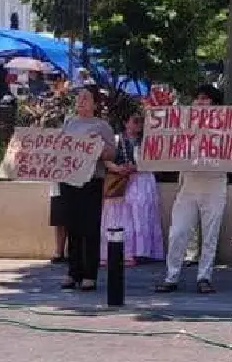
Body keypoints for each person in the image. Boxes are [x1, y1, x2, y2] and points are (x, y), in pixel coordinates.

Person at [156, 85, 230, 294]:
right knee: (178, 232)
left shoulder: (226, 127)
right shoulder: (183, 125)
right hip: (188, 185)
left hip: (215, 185)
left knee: (210, 234)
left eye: (205, 99)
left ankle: (204, 277)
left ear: (215, 103)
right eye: (197, 98)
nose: (199, 102)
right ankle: (171, 276)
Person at [59, 85, 116, 291]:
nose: (81, 101)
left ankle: (89, 275)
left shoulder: (102, 126)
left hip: (91, 181)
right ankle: (73, 272)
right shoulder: (69, 123)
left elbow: (111, 154)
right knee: (72, 226)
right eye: (79, 97)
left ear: (94, 104)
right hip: (69, 180)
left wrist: (98, 145)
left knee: (90, 228)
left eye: (86, 98)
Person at [101, 111, 164, 266]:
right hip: (121, 181)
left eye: (141, 122)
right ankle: (116, 252)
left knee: (140, 215)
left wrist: (137, 167)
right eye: (135, 121)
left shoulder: (148, 141)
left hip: (142, 180)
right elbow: (106, 160)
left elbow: (156, 161)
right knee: (119, 216)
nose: (138, 125)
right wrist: (118, 169)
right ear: (126, 123)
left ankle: (139, 252)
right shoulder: (116, 140)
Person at [49, 183, 68, 264]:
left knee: (71, 222)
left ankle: (69, 252)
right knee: (58, 222)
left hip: (72, 188)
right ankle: (59, 252)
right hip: (57, 191)